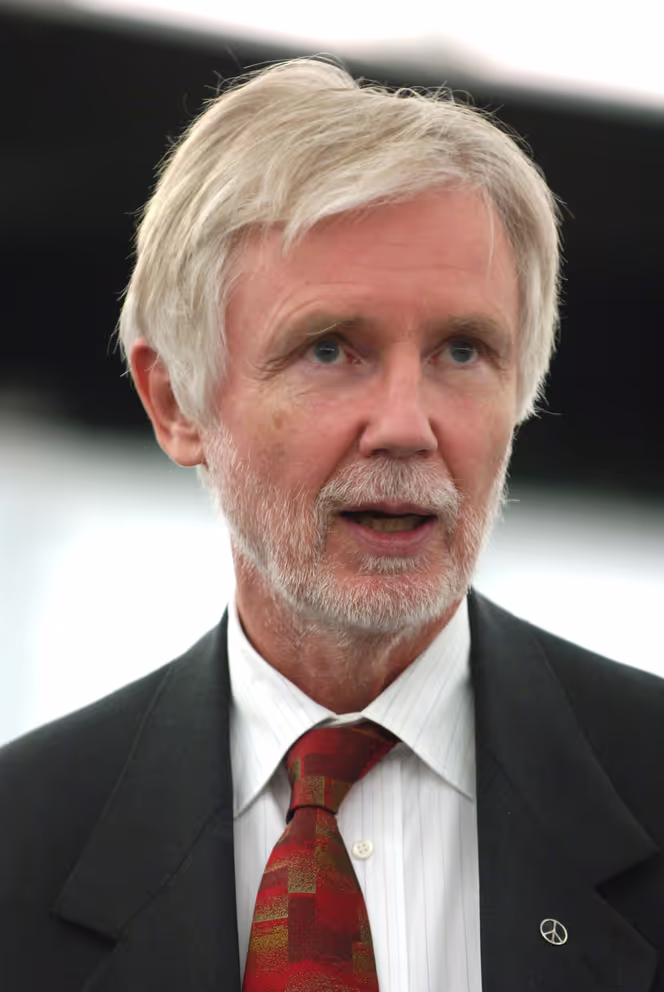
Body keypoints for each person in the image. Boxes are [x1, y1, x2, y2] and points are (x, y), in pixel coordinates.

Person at [1, 58, 663, 992]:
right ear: (177, 402)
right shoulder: (20, 844)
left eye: (463, 351)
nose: (407, 423)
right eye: (329, 348)